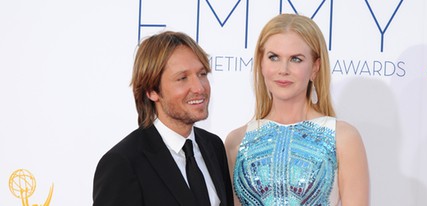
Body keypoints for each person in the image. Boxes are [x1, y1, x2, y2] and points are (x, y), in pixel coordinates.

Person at [225, 14, 369, 205]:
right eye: (274, 57)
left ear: (315, 67)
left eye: (296, 59)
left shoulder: (343, 137)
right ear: (261, 63)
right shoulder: (236, 141)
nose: (283, 69)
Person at [93, 31, 234, 206]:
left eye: (202, 74)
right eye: (182, 78)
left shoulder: (214, 146)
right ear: (151, 91)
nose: (199, 87)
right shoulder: (123, 163)